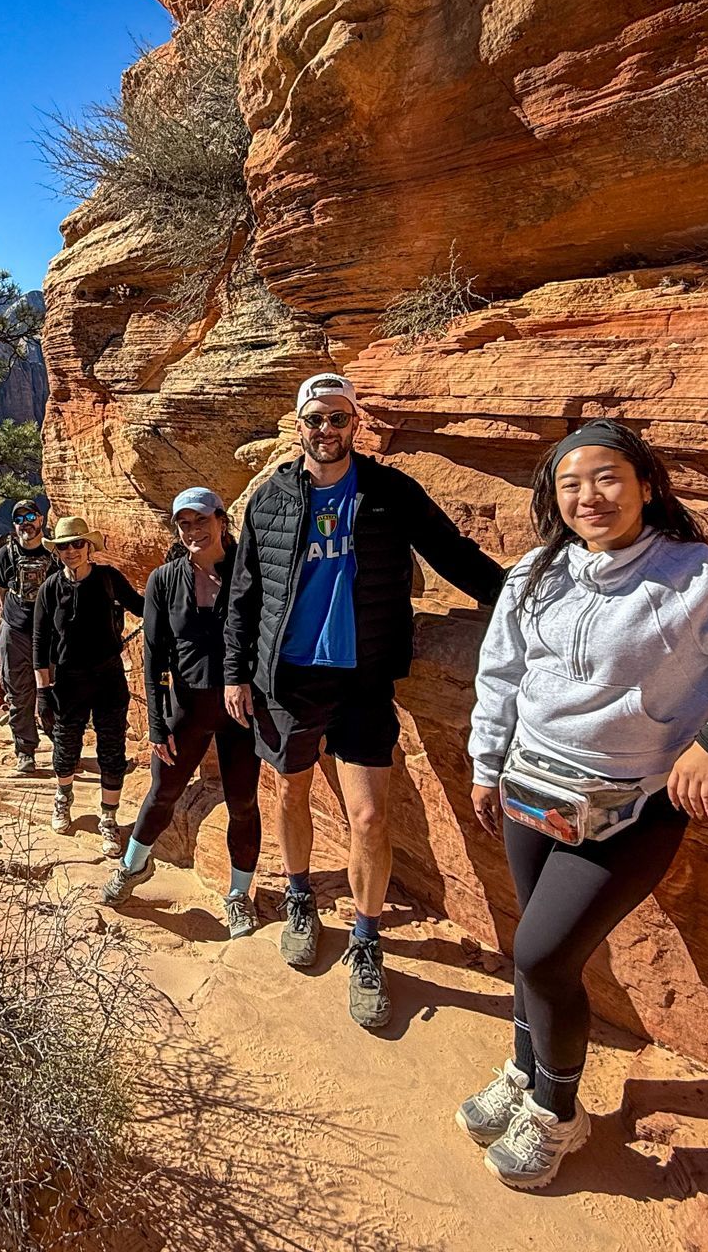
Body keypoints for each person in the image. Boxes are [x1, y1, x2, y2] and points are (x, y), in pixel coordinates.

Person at [459, 418, 708, 1190]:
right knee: (535, 955)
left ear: (646, 484)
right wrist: (485, 765)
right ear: (552, 499)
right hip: (530, 793)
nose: (590, 496)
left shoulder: (701, 579)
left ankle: (555, 1112)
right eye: (569, 484)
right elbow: (501, 677)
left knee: (543, 955)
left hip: (628, 810)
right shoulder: (535, 574)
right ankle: (523, 1065)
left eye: (607, 476)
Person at [224, 371, 505, 1029]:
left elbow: (451, 552)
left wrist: (517, 597)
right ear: (299, 426)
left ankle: (367, 939)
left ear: (357, 425)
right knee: (292, 794)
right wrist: (236, 674)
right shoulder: (268, 501)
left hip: (364, 679)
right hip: (289, 679)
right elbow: (242, 596)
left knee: (371, 819)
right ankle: (300, 898)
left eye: (339, 418)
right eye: (316, 419)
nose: (327, 430)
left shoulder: (389, 491)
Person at [102, 488, 264, 939]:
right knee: (162, 793)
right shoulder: (165, 579)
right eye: (184, 524)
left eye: (201, 521)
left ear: (222, 520)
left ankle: (238, 896)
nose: (193, 531)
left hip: (241, 708)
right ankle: (132, 867)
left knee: (244, 801)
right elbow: (154, 656)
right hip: (186, 706)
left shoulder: (246, 573)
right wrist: (156, 725)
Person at [32, 515, 145, 854]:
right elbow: (40, 640)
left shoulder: (108, 579)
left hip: (108, 675)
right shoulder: (50, 588)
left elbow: (142, 608)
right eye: (64, 546)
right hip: (69, 679)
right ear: (58, 551)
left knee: (112, 749)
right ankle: (62, 798)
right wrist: (42, 691)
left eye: (77, 544)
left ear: (89, 547)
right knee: (66, 745)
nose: (71, 551)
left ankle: (108, 819)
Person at [0, 499, 56, 775]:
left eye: (30, 516)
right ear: (14, 524)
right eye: (19, 519)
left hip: (51, 633)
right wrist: (8, 620)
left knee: (55, 691)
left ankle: (63, 747)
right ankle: (25, 751)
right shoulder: (5, 554)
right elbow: (1, 591)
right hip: (16, 630)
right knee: (18, 693)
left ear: (41, 519)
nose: (25, 523)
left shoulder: (55, 551)